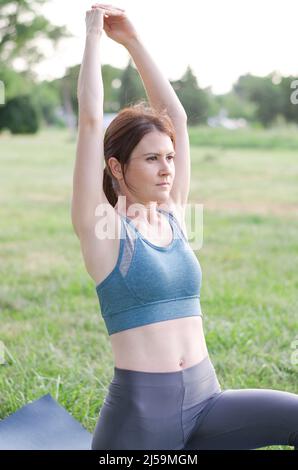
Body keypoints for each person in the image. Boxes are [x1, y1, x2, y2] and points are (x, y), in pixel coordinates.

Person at [71, 4, 298, 450]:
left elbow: (176, 114)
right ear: (116, 166)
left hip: (208, 402)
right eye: (152, 158)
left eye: (169, 157)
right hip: (140, 421)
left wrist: (133, 40)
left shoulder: (174, 213)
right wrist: (94, 37)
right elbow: (90, 119)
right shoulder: (102, 228)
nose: (167, 169)